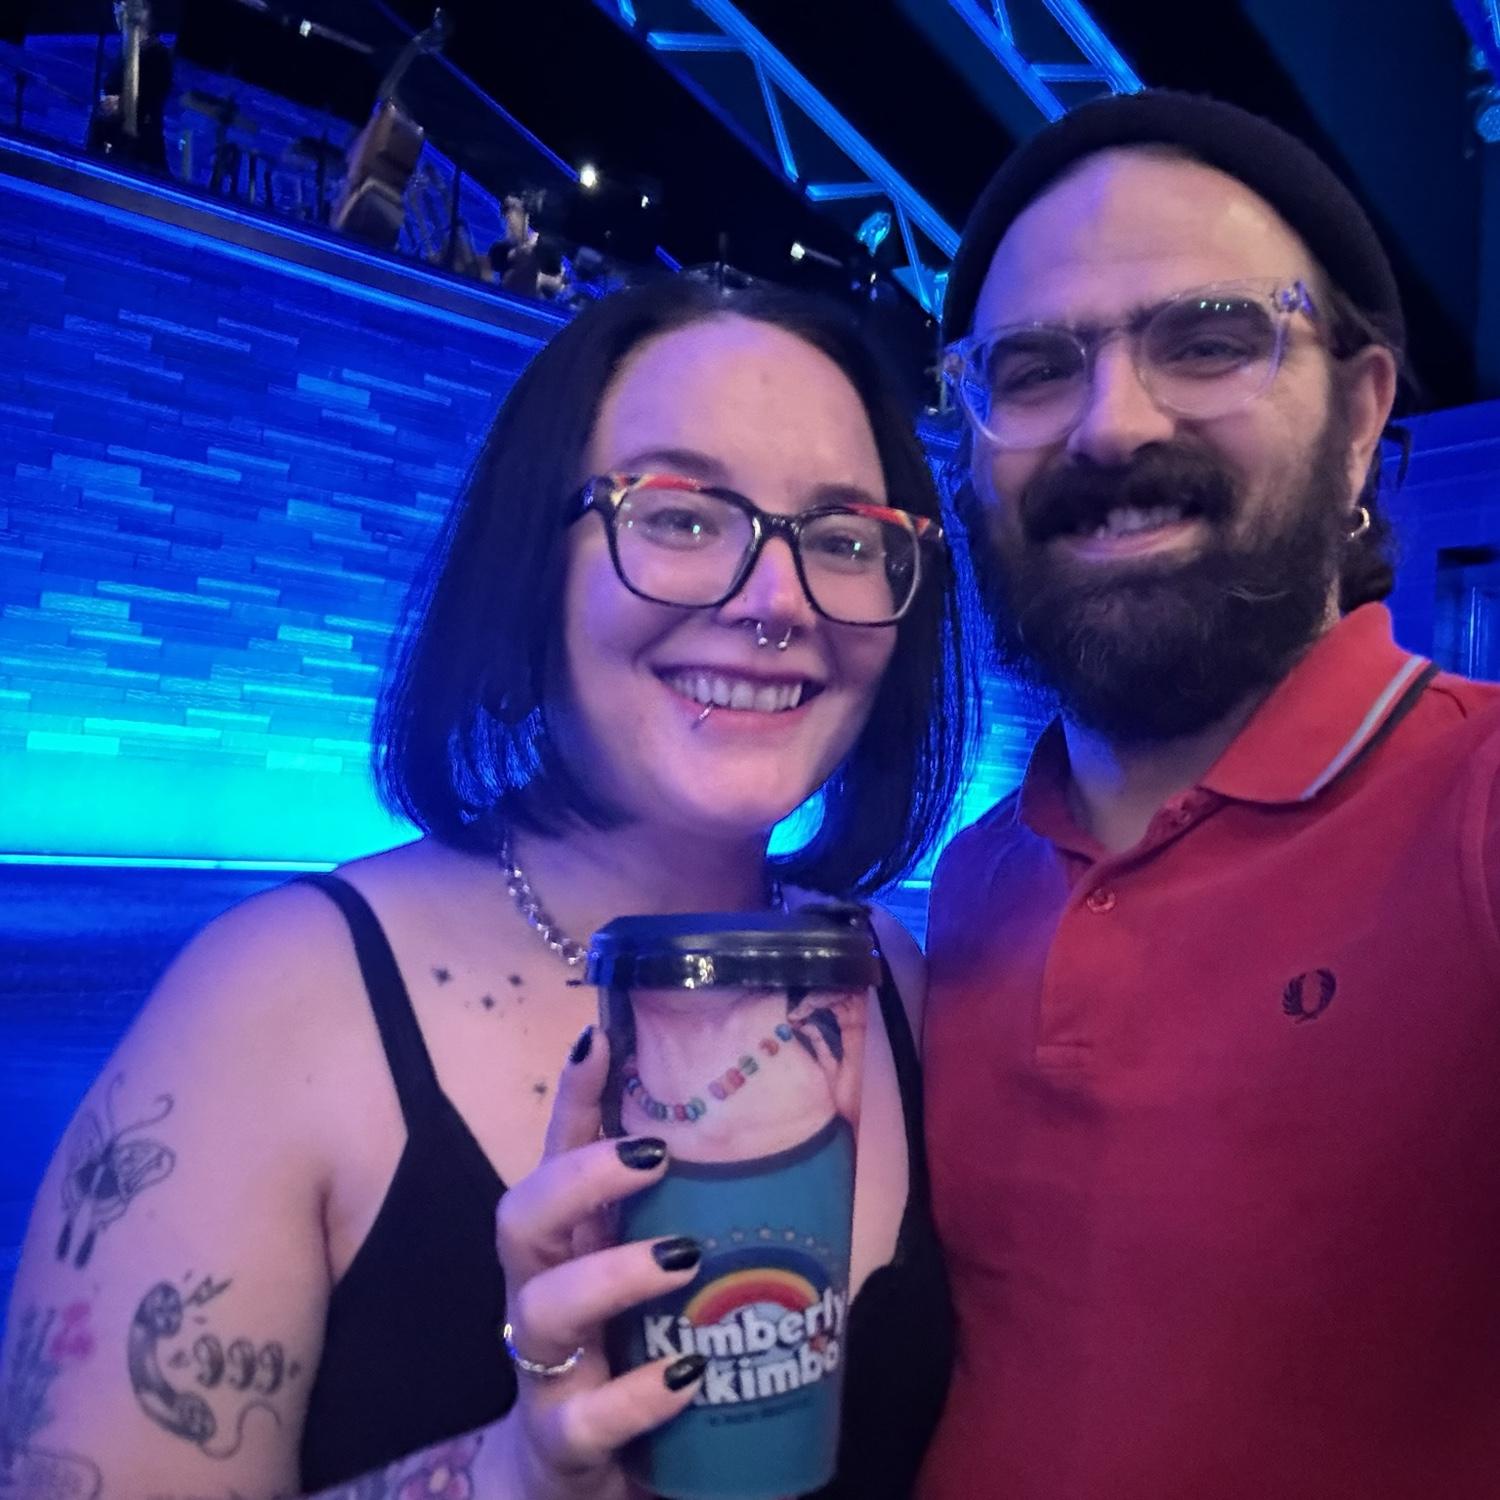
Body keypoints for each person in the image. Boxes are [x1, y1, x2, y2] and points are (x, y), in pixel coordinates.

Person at [0, 276, 970, 1499]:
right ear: (530, 562)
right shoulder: (272, 1004)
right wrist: (512, 1473)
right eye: (679, 517)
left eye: (842, 538)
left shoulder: (888, 980)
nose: (774, 600)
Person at [920, 90, 1500, 1500]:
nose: (1112, 427)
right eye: (1034, 367)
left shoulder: (1478, 808)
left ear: (1361, 417)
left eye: (1210, 339)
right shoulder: (976, 880)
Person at [85, 0, 174, 172]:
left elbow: (149, 102)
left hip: (140, 157)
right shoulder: (121, 55)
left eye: (126, 4)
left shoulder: (159, 56)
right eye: (117, 4)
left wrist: (123, 104)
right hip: (111, 150)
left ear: (146, 11)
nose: (119, 10)